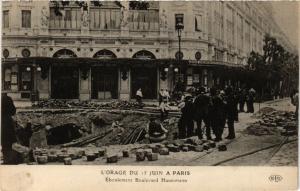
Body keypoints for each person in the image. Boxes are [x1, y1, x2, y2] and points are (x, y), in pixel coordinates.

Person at [1, 93, 20, 164]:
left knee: (3, 142)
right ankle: (8, 159)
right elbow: (13, 111)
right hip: (7, 123)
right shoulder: (8, 99)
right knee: (8, 142)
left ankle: (6, 158)